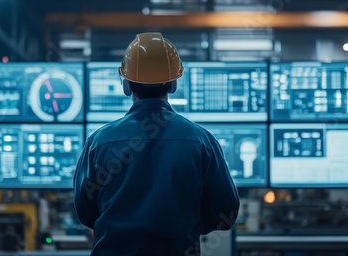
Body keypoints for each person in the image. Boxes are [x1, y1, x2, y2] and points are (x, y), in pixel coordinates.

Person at [73, 32, 240, 256]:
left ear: (126, 84)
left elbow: (85, 212)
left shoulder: (98, 143)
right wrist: (187, 226)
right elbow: (226, 212)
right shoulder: (202, 142)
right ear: (172, 84)